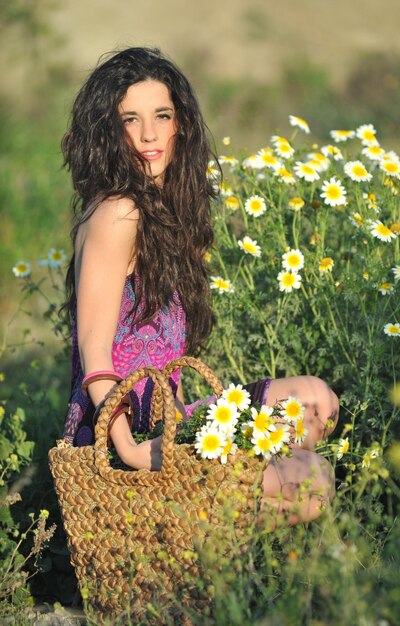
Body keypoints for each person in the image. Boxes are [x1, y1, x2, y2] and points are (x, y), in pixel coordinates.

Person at [62, 47, 339, 526]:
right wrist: (130, 449)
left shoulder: (166, 213)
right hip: (121, 439)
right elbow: (94, 349)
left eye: (161, 116)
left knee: (318, 405)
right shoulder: (117, 212)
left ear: (181, 125)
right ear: (108, 131)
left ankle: (195, 527)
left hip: (169, 425)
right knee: (311, 482)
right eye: (130, 119)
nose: (149, 135)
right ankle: (178, 541)